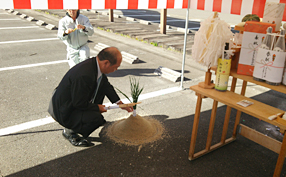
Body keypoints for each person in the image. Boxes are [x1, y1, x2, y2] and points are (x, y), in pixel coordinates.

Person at [48, 47, 133, 147]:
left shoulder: (94, 65)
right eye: (115, 67)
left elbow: (106, 86)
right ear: (106, 63)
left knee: (101, 88)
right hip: (63, 110)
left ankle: (84, 119)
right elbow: (78, 103)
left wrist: (121, 104)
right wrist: (97, 108)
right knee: (95, 119)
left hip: (71, 101)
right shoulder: (84, 75)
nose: (116, 70)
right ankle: (70, 131)